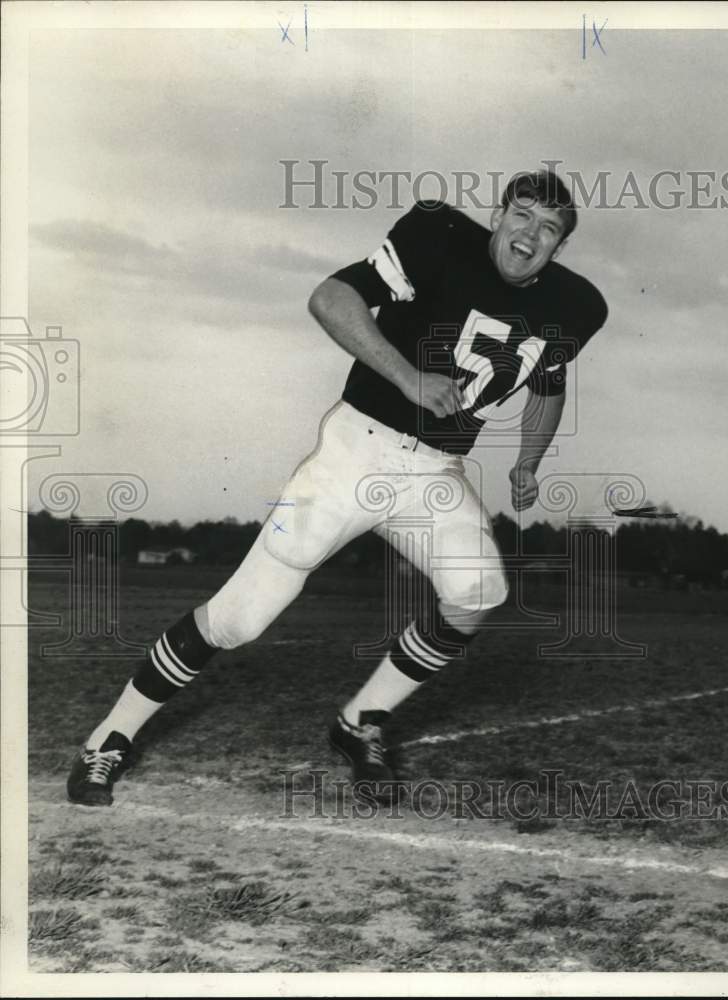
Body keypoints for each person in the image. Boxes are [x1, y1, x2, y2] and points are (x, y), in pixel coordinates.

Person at [66, 169, 608, 807]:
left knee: (478, 590)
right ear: (499, 214)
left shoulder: (575, 304)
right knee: (241, 617)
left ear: (560, 245)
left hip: (436, 472)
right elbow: (330, 297)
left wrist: (528, 463)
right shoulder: (439, 237)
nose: (530, 234)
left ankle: (360, 722)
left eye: (549, 229)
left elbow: (548, 380)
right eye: (521, 215)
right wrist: (409, 378)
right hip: (358, 451)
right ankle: (109, 739)